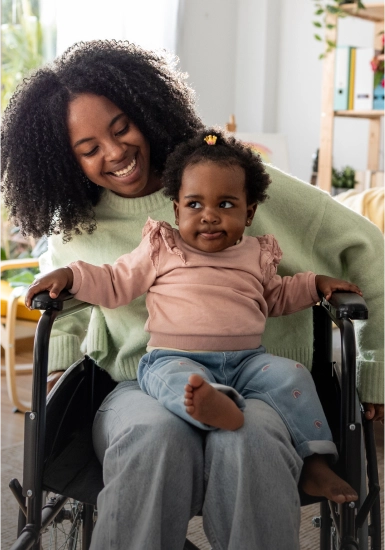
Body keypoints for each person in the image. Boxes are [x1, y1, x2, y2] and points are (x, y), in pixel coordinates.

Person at [1, 40, 385, 549]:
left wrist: (377, 365)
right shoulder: (80, 220)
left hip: (256, 374)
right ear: (65, 159)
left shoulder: (233, 183)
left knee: (253, 437)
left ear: (147, 110)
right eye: (89, 149)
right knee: (153, 436)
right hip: (144, 380)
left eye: (121, 128)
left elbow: (368, 247)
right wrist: (59, 367)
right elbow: (76, 297)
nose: (114, 153)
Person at [25, 127, 362, 504]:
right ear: (177, 208)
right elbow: (114, 281)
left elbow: (277, 296)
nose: (210, 217)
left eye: (227, 205)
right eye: (195, 204)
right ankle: (213, 408)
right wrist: (70, 275)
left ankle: (314, 461)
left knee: (292, 375)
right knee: (176, 381)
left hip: (248, 362)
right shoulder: (161, 247)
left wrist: (317, 285)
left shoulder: (255, 254)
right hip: (172, 358)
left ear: (249, 214)